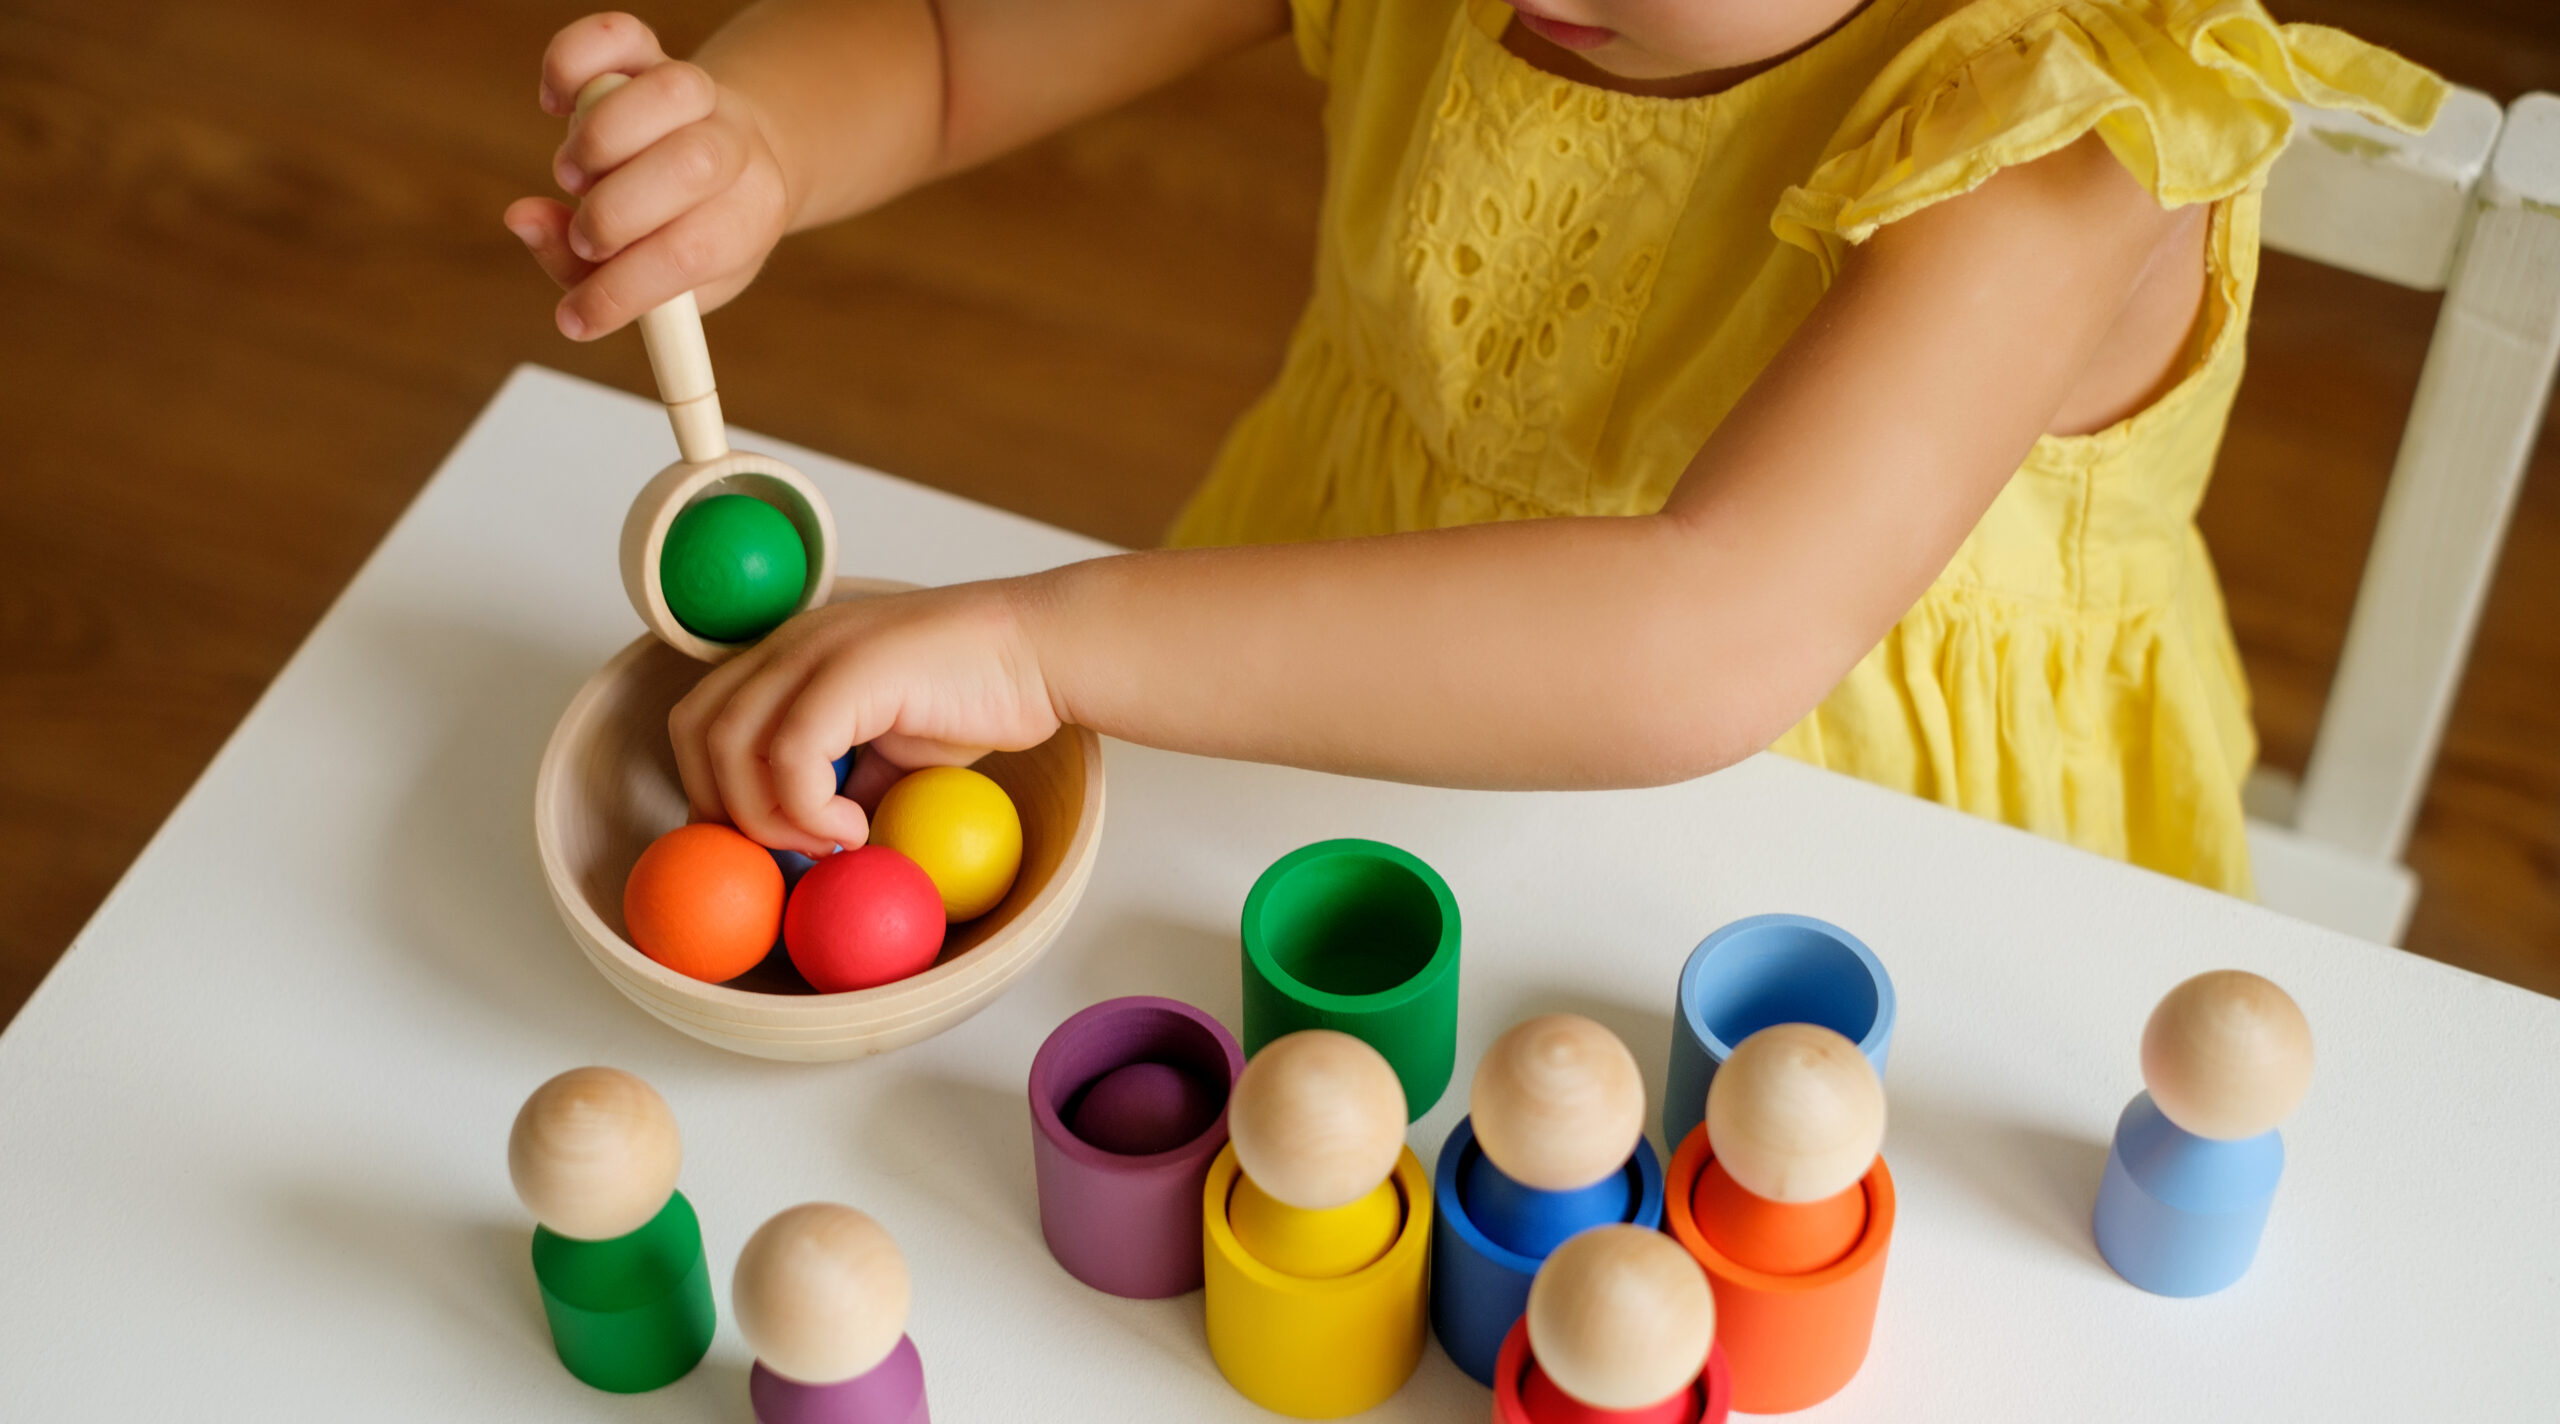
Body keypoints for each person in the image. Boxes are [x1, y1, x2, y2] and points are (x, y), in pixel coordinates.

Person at [506, 0, 2440, 893]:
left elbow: (1705, 639)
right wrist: (757, 135)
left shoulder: (2061, 132)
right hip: (1322, 682)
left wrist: (1036, 644)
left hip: (1838, 840)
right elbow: (947, 45)